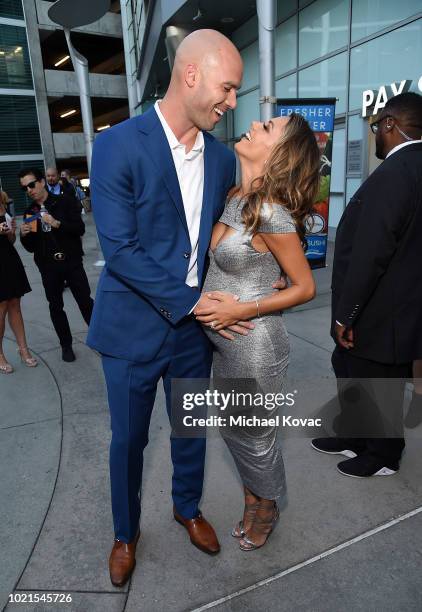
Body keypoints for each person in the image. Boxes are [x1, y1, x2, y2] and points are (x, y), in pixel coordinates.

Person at [87, 29, 247, 587]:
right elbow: (121, 251)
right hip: (131, 326)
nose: (231, 103)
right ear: (191, 75)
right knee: (129, 441)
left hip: (192, 333)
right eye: (227, 90)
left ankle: (187, 507)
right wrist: (197, 301)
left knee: (190, 430)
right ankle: (125, 533)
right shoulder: (116, 145)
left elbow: (221, 243)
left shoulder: (224, 160)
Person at [194, 114, 319, 551]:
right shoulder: (237, 196)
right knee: (235, 430)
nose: (253, 123)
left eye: (267, 128)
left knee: (255, 436)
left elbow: (305, 286)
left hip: (255, 344)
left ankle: (266, 508)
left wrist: (243, 307)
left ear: (279, 153)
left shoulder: (272, 212)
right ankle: (254, 501)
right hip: (227, 346)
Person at [312, 92, 422, 477]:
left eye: (377, 126)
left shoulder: (396, 172)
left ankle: (383, 456)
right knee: (354, 371)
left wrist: (347, 314)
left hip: (380, 308)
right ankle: (354, 435)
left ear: (391, 124)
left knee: (376, 379)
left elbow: (372, 251)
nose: (375, 134)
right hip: (400, 304)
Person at [19, 167, 94, 363]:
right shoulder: (31, 212)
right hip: (48, 267)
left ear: (42, 182)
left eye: (32, 185)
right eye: (25, 188)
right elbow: (31, 247)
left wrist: (57, 223)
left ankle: (101, 339)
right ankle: (66, 345)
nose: (29, 190)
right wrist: (24, 235)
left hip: (71, 262)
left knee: (85, 301)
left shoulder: (64, 201)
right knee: (55, 307)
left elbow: (79, 229)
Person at [0, 199, 37, 373]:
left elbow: (11, 240)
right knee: (1, 308)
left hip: (8, 258)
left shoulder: (3, 204)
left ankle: (23, 350)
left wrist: (10, 232)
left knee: (15, 304)